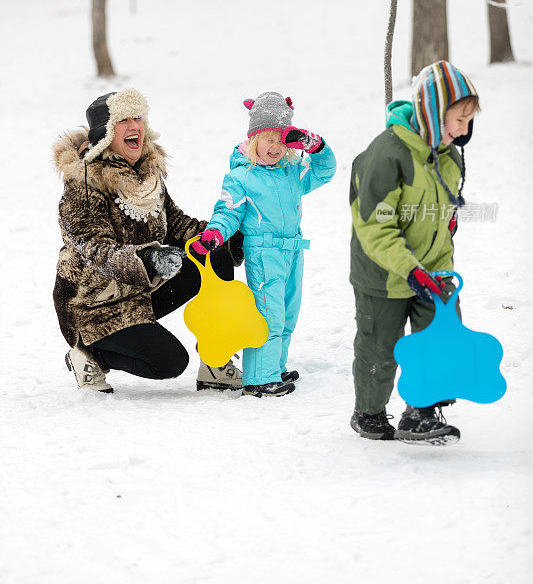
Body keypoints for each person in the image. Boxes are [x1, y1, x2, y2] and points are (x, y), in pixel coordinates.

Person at [53, 87, 244, 394]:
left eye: (138, 117)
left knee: (214, 254)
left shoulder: (146, 172)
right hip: (96, 305)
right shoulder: (83, 186)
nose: (135, 126)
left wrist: (221, 235)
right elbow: (97, 251)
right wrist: (150, 259)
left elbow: (175, 223)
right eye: (123, 119)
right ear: (105, 133)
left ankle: (215, 358)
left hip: (141, 289)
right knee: (169, 363)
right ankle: (90, 353)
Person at [349, 61, 480, 444]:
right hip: (384, 273)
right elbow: (376, 223)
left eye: (468, 122)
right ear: (430, 112)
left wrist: (448, 218)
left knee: (438, 336)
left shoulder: (448, 156)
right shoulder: (386, 155)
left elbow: (438, 208)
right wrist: (409, 269)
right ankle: (368, 412)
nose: (462, 130)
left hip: (433, 269)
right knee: (381, 348)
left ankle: (421, 411)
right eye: (457, 119)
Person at [191, 92, 336, 397]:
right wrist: (215, 233)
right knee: (268, 315)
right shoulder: (241, 176)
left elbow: (326, 170)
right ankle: (258, 377)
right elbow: (227, 211)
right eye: (268, 139)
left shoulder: (293, 173)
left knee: (288, 313)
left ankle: (275, 367)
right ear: (253, 140)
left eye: (281, 140)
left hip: (293, 250)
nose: (275, 147)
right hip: (263, 254)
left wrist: (315, 145)